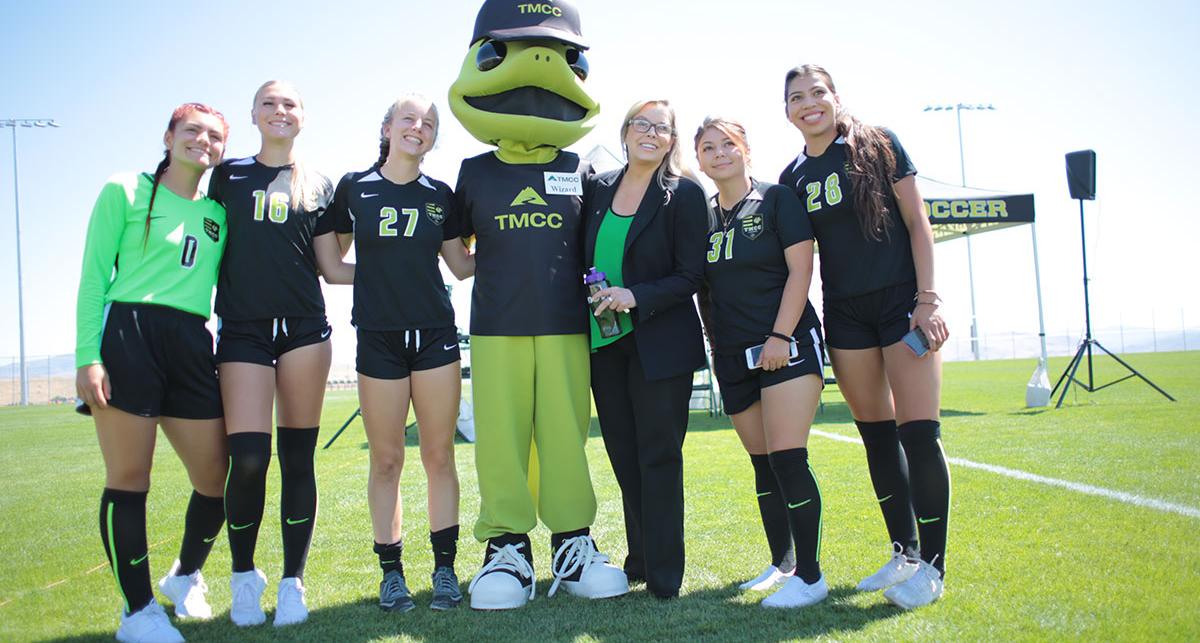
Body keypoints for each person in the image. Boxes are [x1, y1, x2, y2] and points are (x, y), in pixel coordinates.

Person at [447, 0, 628, 611]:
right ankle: (506, 548)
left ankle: (573, 543)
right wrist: (475, 270)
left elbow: (599, 247)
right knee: (499, 438)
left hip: (565, 328)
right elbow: (453, 241)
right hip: (495, 328)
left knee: (564, 436)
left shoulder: (583, 168)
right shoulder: (472, 172)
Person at [778, 64, 952, 610]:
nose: (809, 104)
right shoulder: (791, 179)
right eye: (796, 98)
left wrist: (928, 301)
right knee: (876, 435)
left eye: (817, 93)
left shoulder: (878, 144)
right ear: (786, 110)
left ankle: (934, 567)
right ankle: (903, 551)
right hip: (846, 316)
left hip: (903, 304)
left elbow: (918, 222)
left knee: (918, 433)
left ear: (835, 97)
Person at [75, 103, 230, 643]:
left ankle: (184, 577)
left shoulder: (218, 213)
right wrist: (86, 356)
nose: (203, 142)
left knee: (216, 478)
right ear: (168, 137)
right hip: (130, 335)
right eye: (192, 131)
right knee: (129, 479)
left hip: (192, 340)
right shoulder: (124, 190)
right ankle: (138, 611)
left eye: (214, 137)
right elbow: (94, 278)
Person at [314, 95, 474, 613]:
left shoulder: (440, 195)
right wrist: (382, 278)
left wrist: (509, 233)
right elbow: (333, 267)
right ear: (386, 127)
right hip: (378, 338)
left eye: (428, 123)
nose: (418, 128)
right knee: (386, 459)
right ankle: (392, 574)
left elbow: (461, 267)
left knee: (438, 454)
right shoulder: (354, 188)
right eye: (408, 118)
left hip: (434, 337)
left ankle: (445, 572)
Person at [206, 80, 334, 627]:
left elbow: (332, 267)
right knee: (251, 457)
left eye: (290, 103)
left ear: (303, 116)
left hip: (305, 331)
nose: (280, 110)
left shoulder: (320, 184)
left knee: (298, 459)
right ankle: (242, 578)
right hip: (243, 332)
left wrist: (405, 261)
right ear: (254, 114)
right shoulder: (227, 176)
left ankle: (291, 584)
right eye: (270, 103)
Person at [694, 116, 828, 608]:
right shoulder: (702, 216)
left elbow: (801, 271)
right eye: (708, 148)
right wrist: (715, 347)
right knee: (762, 463)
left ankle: (811, 578)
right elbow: (703, 292)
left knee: (788, 457)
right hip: (732, 355)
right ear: (699, 160)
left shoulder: (776, 199)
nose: (719, 154)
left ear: (745, 149)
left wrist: (779, 335)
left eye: (727, 144)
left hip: (785, 347)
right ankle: (783, 564)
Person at [582, 99, 707, 599]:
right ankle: (640, 556)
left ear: (672, 141)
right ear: (626, 131)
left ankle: (664, 574)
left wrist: (636, 296)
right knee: (623, 455)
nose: (650, 134)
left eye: (662, 128)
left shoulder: (685, 195)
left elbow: (692, 275)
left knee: (657, 455)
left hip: (660, 344)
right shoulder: (596, 189)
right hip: (603, 343)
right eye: (642, 124)